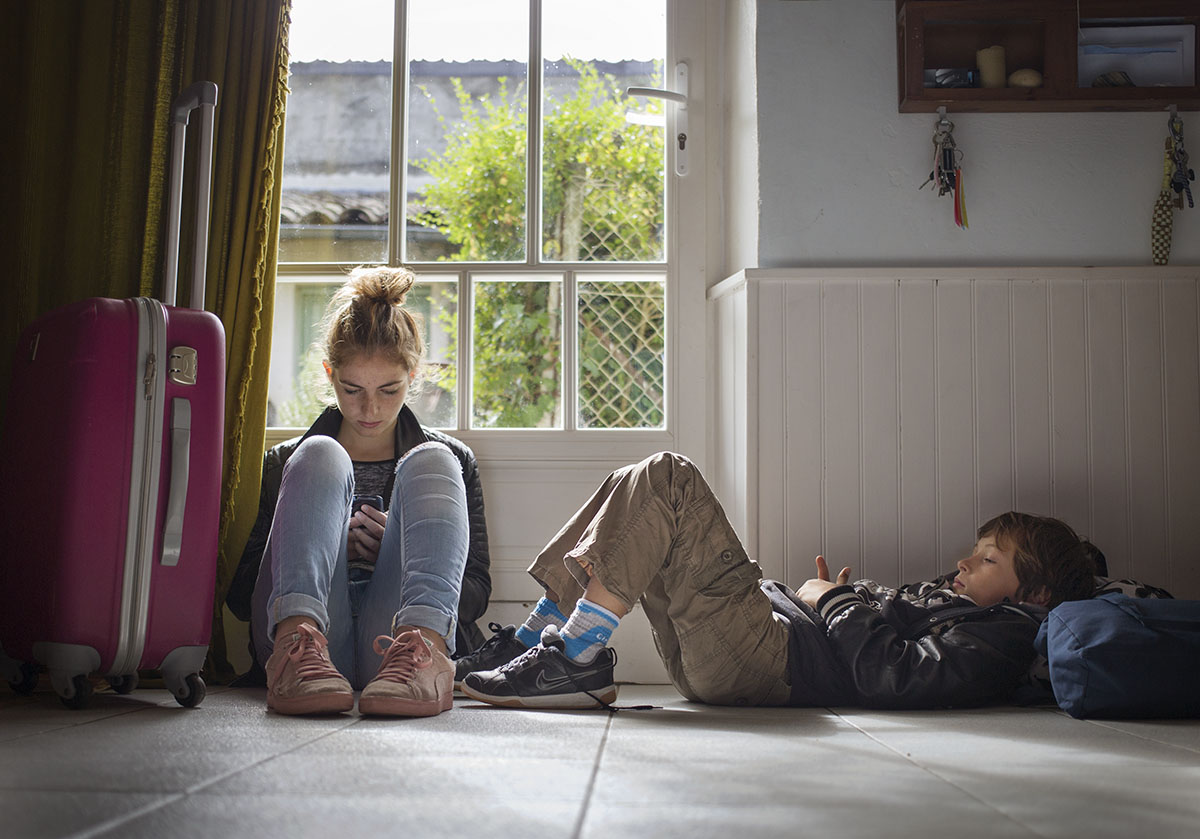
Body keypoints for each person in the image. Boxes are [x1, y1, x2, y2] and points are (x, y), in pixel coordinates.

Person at [457, 452, 1095, 711]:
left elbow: (893, 675)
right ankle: (544, 639)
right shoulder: (961, 606)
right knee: (636, 484)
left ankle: (573, 655)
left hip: (767, 660)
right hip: (748, 646)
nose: (963, 562)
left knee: (670, 477)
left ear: (1033, 595)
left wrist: (835, 600)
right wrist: (835, 600)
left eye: (987, 560)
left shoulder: (1005, 634)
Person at [225, 266, 491, 717]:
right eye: (352, 389)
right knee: (319, 454)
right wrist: (327, 549)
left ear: (413, 375)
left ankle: (422, 655)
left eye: (389, 389)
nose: (370, 408)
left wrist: (400, 549)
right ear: (330, 375)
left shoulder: (453, 460)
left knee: (434, 458)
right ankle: (298, 645)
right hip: (306, 647)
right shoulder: (287, 462)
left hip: (395, 648)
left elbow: (476, 592)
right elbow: (241, 597)